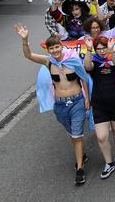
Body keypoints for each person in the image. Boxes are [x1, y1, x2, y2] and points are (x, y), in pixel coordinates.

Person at [15, 26, 89, 185]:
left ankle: (80, 169)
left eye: (57, 47)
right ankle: (81, 155)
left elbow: (84, 79)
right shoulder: (48, 61)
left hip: (77, 102)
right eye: (52, 48)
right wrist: (24, 39)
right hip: (60, 105)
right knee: (72, 134)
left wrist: (87, 99)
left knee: (77, 136)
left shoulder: (73, 60)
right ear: (48, 50)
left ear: (62, 46)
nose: (55, 50)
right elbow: (28, 55)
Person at [83, 36, 115, 179]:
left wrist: (111, 51)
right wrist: (89, 49)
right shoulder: (94, 62)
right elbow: (87, 67)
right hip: (99, 104)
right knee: (102, 136)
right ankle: (109, 163)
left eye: (104, 48)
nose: (102, 51)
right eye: (99, 49)